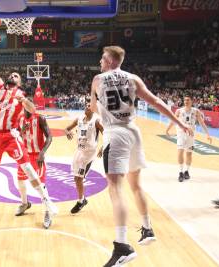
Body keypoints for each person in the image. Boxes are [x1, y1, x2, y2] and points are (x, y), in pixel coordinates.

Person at [90, 46, 191, 267]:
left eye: (102, 58)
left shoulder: (98, 79)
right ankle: (147, 228)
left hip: (115, 133)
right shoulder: (133, 79)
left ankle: (122, 246)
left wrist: (103, 106)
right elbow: (156, 101)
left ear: (108, 61)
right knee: (136, 185)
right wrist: (180, 123)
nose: (99, 61)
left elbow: (93, 109)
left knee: (115, 188)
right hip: (134, 133)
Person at [0, 24, 58, 224]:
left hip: (10, 135)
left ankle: (47, 202)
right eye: (11, 74)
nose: (12, 75)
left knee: (27, 168)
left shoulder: (21, 95)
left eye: (16, 76)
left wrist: (24, 101)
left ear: (20, 83)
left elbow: (33, 110)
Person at [16, 99, 53, 228]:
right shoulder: (19, 119)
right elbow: (14, 137)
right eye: (26, 105)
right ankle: (25, 203)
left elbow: (50, 136)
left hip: (37, 155)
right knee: (20, 180)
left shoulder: (40, 118)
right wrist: (21, 131)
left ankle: (48, 212)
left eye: (31, 105)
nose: (29, 107)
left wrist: (42, 153)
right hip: (24, 155)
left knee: (41, 185)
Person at [65, 100, 103, 214]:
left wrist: (103, 147)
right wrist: (67, 132)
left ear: (94, 109)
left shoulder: (96, 121)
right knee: (76, 178)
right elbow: (66, 128)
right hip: (79, 151)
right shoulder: (79, 119)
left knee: (79, 178)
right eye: (86, 105)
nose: (86, 106)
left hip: (89, 154)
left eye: (89, 105)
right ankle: (82, 200)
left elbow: (107, 134)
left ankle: (81, 201)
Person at [165, 95, 212, 182]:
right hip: (181, 134)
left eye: (188, 100)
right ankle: (180, 172)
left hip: (191, 135)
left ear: (191, 101)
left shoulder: (196, 111)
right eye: (185, 100)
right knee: (180, 152)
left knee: (189, 154)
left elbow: (202, 123)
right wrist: (167, 129)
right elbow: (173, 121)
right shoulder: (179, 111)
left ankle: (187, 171)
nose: (186, 101)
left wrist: (208, 134)